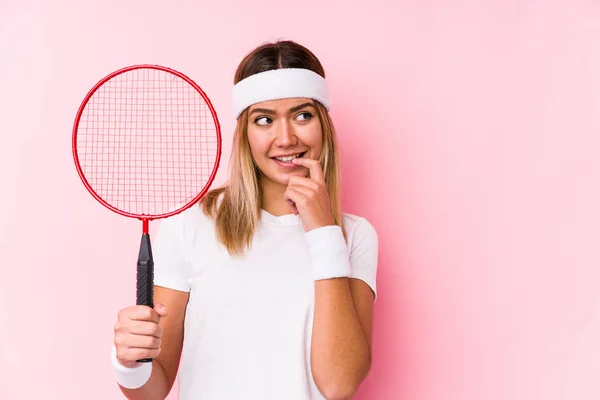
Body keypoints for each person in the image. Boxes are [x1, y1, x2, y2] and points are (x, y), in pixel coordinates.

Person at [110, 40, 379, 400]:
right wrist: (129, 362)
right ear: (245, 135)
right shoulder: (190, 226)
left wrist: (324, 232)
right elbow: (151, 390)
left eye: (303, 115)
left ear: (323, 125)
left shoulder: (355, 236)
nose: (285, 138)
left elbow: (338, 384)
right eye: (264, 120)